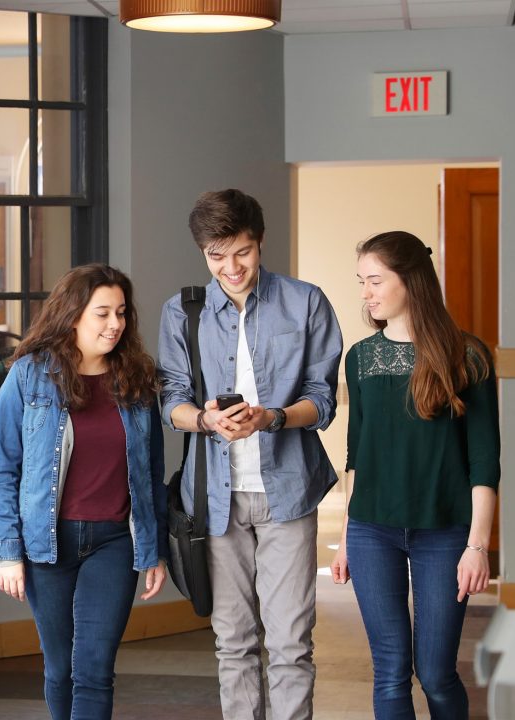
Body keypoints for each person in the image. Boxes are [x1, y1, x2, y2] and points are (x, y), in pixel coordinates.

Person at [157, 189, 342, 720]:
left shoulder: (305, 301)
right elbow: (172, 399)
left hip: (288, 491)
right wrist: (207, 420)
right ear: (203, 253)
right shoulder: (183, 312)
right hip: (215, 497)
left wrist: (273, 417)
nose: (231, 267)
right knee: (233, 641)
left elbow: (322, 397)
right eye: (217, 256)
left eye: (242, 252)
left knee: (291, 644)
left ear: (259, 243)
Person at [0, 263, 169, 720]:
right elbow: (2, 469)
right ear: (73, 316)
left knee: (94, 669)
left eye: (122, 313)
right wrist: (8, 551)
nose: (115, 325)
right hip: (47, 544)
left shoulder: (138, 379)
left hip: (114, 542)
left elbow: (151, 473)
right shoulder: (29, 377)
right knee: (60, 669)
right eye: (103, 313)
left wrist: (154, 547)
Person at [330, 231, 499, 719]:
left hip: (444, 536)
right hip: (371, 532)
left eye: (375, 280)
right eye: (361, 281)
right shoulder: (361, 358)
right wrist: (345, 537)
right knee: (389, 670)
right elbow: (356, 455)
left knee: (437, 672)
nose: (366, 293)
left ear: (411, 280)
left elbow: (485, 461)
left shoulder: (468, 356)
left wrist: (478, 545)